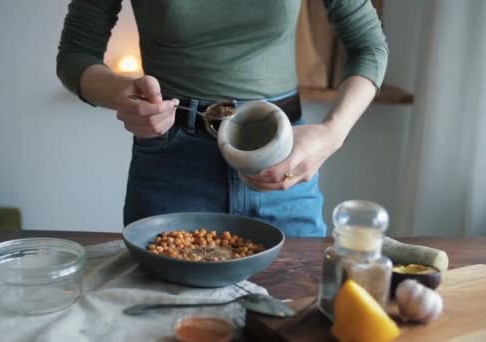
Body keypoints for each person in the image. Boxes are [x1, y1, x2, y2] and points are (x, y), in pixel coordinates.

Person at [56, 0, 388, 237]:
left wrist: (331, 134)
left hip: (282, 160)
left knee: (297, 317)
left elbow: (369, 46)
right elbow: (76, 53)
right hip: (172, 165)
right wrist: (120, 93)